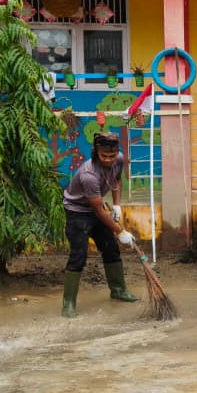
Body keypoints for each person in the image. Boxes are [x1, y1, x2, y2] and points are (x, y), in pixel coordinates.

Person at [62, 131, 137, 317]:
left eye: (112, 156)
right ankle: (68, 304)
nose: (109, 160)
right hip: (77, 212)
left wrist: (117, 204)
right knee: (79, 255)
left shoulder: (118, 159)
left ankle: (118, 290)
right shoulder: (89, 175)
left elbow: (117, 180)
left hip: (97, 209)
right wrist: (120, 231)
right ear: (96, 153)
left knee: (111, 248)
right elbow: (97, 210)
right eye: (104, 156)